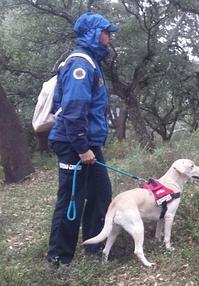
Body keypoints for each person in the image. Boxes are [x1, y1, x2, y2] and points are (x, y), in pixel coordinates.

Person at [46, 12, 117, 269]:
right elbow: (74, 111)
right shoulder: (80, 65)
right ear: (93, 33)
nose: (109, 37)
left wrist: (90, 146)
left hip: (89, 142)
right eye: (106, 32)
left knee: (101, 194)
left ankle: (94, 247)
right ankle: (58, 259)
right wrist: (82, 148)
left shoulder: (91, 62)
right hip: (73, 144)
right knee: (71, 200)